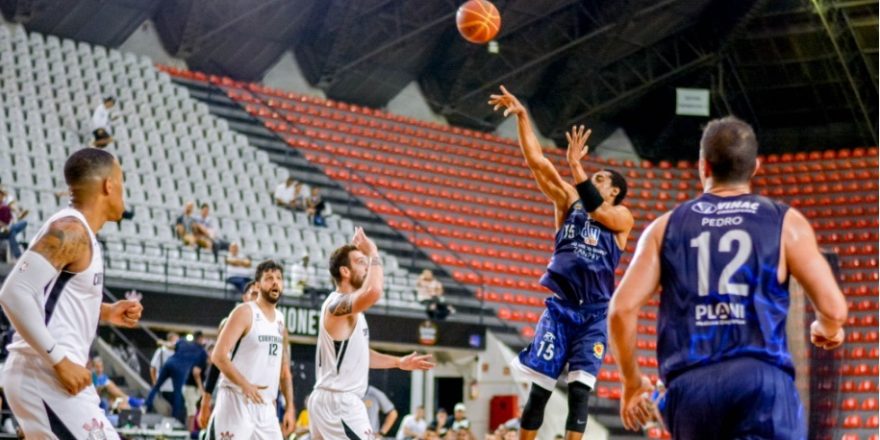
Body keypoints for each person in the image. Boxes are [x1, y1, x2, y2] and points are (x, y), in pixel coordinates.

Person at [608, 117, 848, 438]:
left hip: (691, 390)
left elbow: (621, 310)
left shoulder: (665, 227)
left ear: (703, 167)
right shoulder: (785, 222)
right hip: (762, 382)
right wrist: (826, 328)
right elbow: (833, 309)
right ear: (755, 167)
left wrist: (632, 382)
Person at [489, 87, 632, 440]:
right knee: (540, 391)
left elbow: (597, 209)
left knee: (581, 392)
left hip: (595, 314)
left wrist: (577, 165)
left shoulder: (620, 216)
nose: (590, 180)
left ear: (614, 191)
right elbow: (538, 162)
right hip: (561, 310)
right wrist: (523, 118)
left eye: (600, 179)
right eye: (591, 177)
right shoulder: (570, 200)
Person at [0, 148, 143, 438]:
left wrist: (104, 311)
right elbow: (14, 292)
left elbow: (48, 294)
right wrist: (59, 360)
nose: (123, 194)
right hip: (45, 374)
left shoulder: (79, 232)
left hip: (46, 377)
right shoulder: (71, 230)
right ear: (109, 185)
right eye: (122, 184)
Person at [309, 228, 435, 439]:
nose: (367, 266)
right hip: (339, 402)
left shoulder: (352, 311)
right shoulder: (336, 305)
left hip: (331, 400)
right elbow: (374, 291)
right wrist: (373, 252)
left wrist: (399, 362)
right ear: (345, 272)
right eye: (360, 262)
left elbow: (361, 355)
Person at [206, 260, 296, 438]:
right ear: (257, 285)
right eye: (269, 278)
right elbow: (218, 356)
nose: (275, 282)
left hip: (266, 406)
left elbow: (284, 371)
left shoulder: (280, 320)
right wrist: (245, 385)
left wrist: (290, 408)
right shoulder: (245, 312)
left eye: (279, 278)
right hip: (236, 399)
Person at [197, 281, 259, 430]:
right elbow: (217, 363)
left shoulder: (270, 325)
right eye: (253, 294)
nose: (256, 299)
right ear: (244, 297)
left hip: (257, 399)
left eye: (259, 295)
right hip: (232, 394)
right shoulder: (230, 323)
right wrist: (205, 401)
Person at [145, 331, 208, 425]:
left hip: (169, 363)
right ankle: (174, 418)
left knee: (156, 386)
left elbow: (171, 346)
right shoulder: (201, 351)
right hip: (180, 369)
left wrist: (161, 342)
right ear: (200, 339)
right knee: (177, 393)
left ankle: (146, 406)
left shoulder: (183, 341)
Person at [151, 331, 179, 405]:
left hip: (175, 387)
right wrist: (154, 383)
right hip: (163, 387)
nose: (177, 343)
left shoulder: (178, 352)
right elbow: (153, 367)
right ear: (169, 341)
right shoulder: (161, 351)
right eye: (175, 340)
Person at [0, 186, 27, 262]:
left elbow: (10, 220)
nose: (1, 197)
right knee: (12, 234)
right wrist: (5, 226)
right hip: (2, 230)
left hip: (7, 229)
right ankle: (18, 256)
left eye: (2, 195)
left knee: (23, 223)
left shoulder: (6, 207)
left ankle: (18, 256)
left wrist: (9, 226)